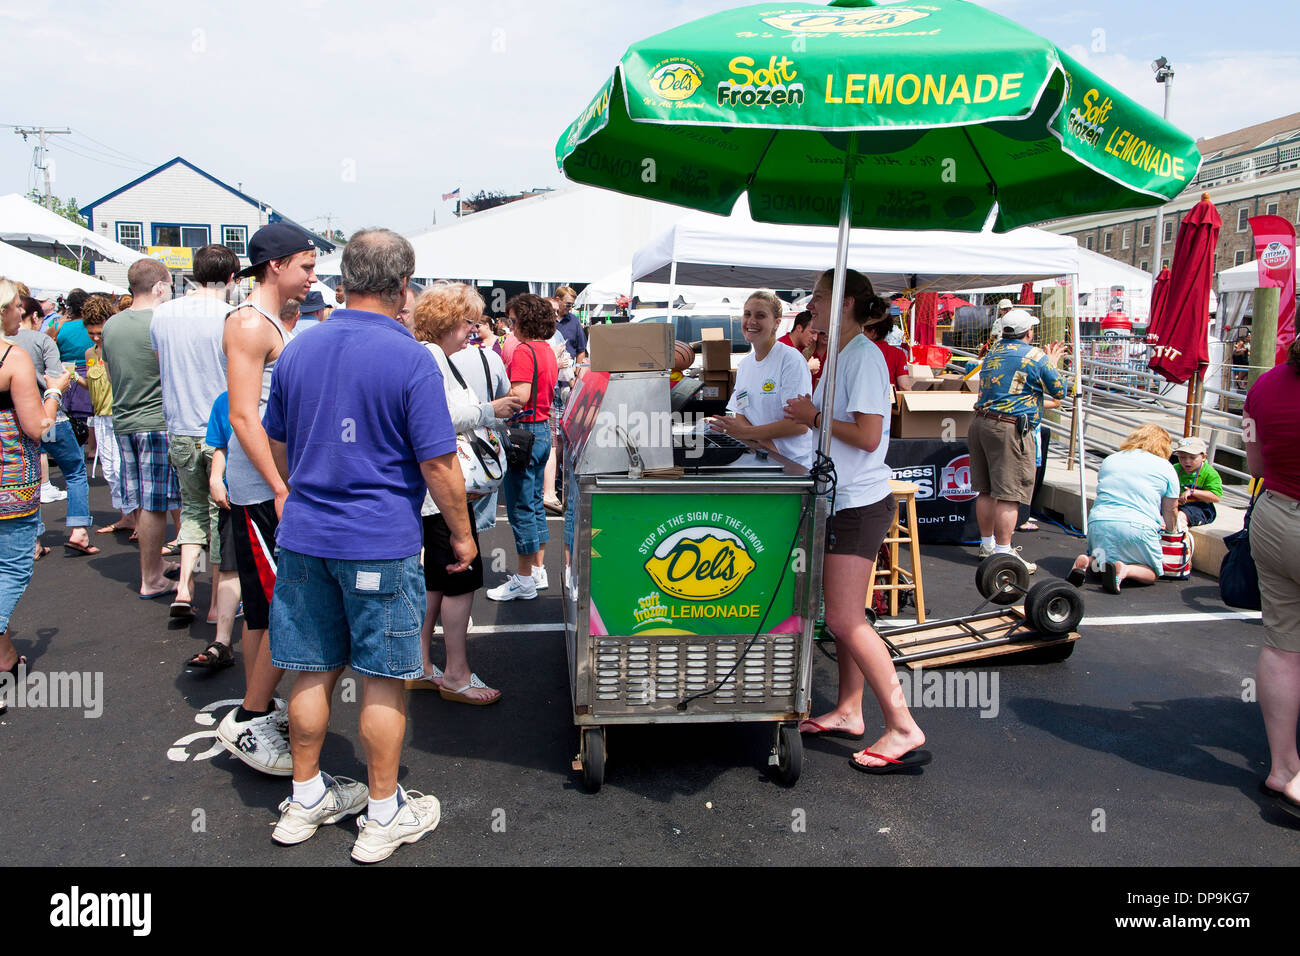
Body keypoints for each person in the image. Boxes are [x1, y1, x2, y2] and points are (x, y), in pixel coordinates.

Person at [263, 228, 471, 862]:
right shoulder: (409, 356)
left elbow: (277, 438)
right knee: (381, 678)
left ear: (345, 278)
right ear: (403, 285)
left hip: (306, 533)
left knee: (310, 666)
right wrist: (462, 535)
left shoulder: (299, 346)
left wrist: (294, 485)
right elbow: (438, 463)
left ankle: (305, 798)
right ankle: (382, 813)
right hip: (378, 538)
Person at [784, 268, 929, 774]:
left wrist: (812, 416)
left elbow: (868, 436)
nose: (813, 306)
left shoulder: (863, 358)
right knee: (845, 616)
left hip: (859, 502)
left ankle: (903, 724)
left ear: (845, 304)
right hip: (844, 498)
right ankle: (849, 709)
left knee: (845, 618)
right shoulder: (842, 356)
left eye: (821, 298)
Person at [214, 222, 318, 778]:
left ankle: (257, 709)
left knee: (263, 609)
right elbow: (241, 415)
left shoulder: (276, 320)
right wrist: (280, 490)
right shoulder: (250, 323)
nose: (312, 275)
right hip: (262, 492)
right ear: (275, 265)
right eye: (305, 264)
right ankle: (251, 715)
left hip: (273, 486)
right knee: (285, 607)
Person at [410, 283, 521, 702]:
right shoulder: (431, 356)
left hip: (437, 492)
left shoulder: (431, 354)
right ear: (450, 322)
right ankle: (456, 673)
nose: (473, 332)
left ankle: (420, 664)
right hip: (442, 491)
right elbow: (438, 418)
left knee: (436, 582)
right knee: (459, 578)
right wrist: (490, 410)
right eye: (469, 324)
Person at [150, 244, 238, 623]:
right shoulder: (231, 315)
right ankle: (218, 603)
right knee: (222, 517)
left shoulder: (163, 314)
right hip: (219, 430)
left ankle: (185, 586)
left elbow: (160, 364)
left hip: (180, 425)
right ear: (232, 278)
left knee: (192, 511)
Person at [0, 277, 69, 713]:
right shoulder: (13, 357)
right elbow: (38, 427)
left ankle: (5, 660)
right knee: (14, 566)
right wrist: (55, 393)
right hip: (8, 477)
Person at [101, 259, 182, 598]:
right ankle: (151, 577)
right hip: (156, 422)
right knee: (155, 505)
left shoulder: (111, 326)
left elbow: (109, 372)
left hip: (124, 420)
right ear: (159, 287)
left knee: (144, 500)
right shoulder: (162, 322)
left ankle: (154, 568)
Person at [1242, 336, 1300, 814]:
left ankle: (1283, 767)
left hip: (1275, 515)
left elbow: (1256, 465)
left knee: (1283, 647)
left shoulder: (1264, 385)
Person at [967, 308, 1066, 572]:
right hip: (1009, 427)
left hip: (981, 422)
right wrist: (1052, 362)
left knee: (986, 490)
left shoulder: (992, 352)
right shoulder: (1036, 356)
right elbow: (1060, 390)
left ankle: (987, 545)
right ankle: (1003, 553)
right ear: (1029, 332)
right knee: (1009, 494)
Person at [8, 294, 96, 558]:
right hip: (49, 415)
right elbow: (57, 378)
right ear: (35, 317)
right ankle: (79, 530)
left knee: (31, 476)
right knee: (75, 471)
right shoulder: (42, 340)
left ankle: (33, 540)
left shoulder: (5, 344)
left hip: (15, 419)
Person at [486, 293, 557, 602]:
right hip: (542, 431)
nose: (510, 326)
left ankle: (525, 579)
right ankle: (536, 570)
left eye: (513, 320)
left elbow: (521, 396)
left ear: (525, 320)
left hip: (524, 433)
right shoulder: (548, 350)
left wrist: (488, 405)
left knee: (520, 508)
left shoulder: (525, 351)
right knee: (534, 503)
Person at [1066, 424, 1179, 593]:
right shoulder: (1166, 467)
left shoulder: (1111, 459)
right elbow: (1171, 508)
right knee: (1152, 573)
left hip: (1099, 522)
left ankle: (1088, 562)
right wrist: (1172, 531)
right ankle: (1126, 570)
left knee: (1103, 561)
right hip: (1138, 526)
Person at [709, 290, 814, 467]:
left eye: (761, 315)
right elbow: (741, 412)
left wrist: (748, 434)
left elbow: (800, 424)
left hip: (792, 463)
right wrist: (762, 444)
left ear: (776, 323)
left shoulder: (790, 360)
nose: (751, 321)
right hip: (764, 456)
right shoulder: (745, 365)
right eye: (747, 314)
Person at [185, 390, 242, 668]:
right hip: (236, 499)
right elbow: (221, 445)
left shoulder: (284, 389)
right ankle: (222, 641)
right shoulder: (225, 400)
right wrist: (216, 477)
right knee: (230, 568)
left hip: (279, 498)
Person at [80, 299, 133, 537]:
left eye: (99, 332)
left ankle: (137, 518)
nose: (95, 337)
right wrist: (73, 379)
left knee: (124, 468)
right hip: (101, 416)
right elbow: (94, 387)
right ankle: (126, 516)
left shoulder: (119, 346)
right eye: (91, 333)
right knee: (110, 470)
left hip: (121, 413)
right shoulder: (90, 352)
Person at [1171, 436, 1221, 528]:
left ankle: (1180, 536)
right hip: (1177, 504)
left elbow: (1216, 497)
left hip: (1200, 507)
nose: (1187, 461)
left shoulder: (1209, 473)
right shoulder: (1175, 468)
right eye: (1182, 457)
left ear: (1204, 457)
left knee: (1179, 518)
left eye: (1192, 457)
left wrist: (1193, 492)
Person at [554, 285, 588, 365]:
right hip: (550, 371)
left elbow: (581, 350)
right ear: (558, 300)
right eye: (568, 304)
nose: (570, 308)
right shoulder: (545, 320)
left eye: (572, 305)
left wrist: (577, 371)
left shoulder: (574, 321)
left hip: (568, 372)